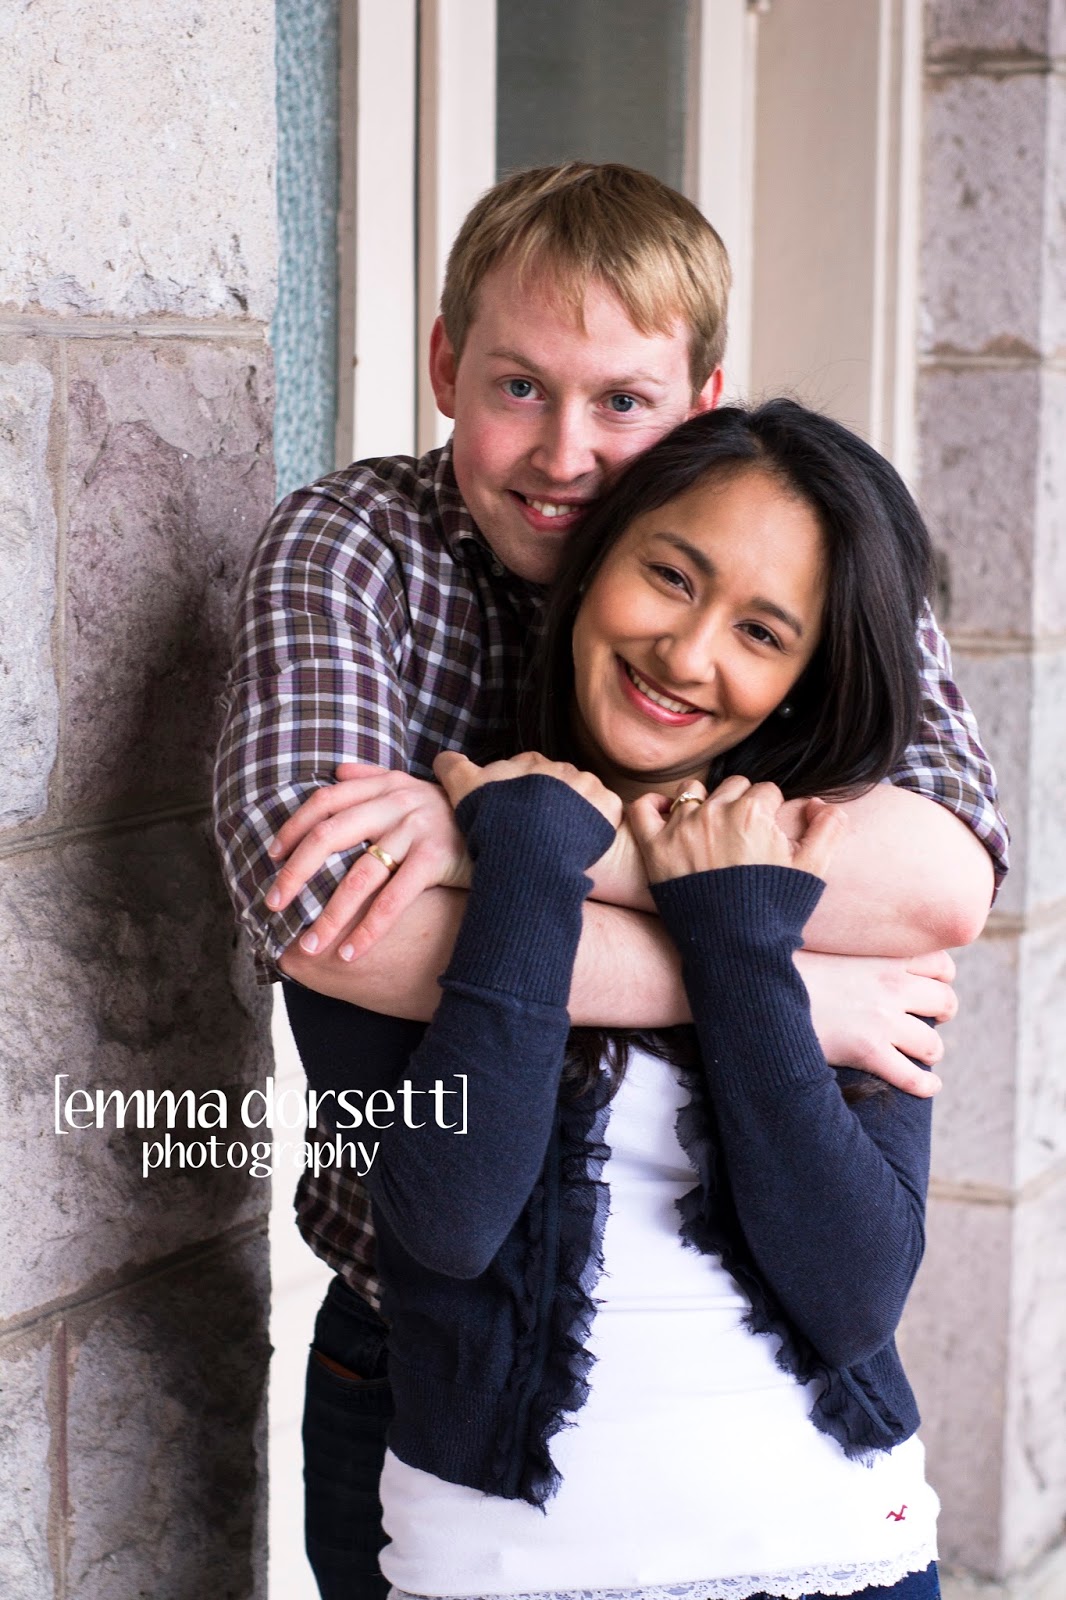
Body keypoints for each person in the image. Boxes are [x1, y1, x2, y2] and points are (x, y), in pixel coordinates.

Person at [212, 165, 1006, 1597]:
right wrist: (785, 985)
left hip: (798, 1469)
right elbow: (328, 917)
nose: (565, 455)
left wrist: (505, 835)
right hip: (439, 1388)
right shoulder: (358, 547)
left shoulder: (801, 557)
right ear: (444, 365)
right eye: (518, 386)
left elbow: (938, 886)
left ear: (698, 407)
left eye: (623, 402)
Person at [291, 400, 951, 1600]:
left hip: (847, 1553)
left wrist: (739, 936)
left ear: (800, 681)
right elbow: (447, 1227)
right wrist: (525, 858)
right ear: (593, 564)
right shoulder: (423, 853)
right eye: (670, 576)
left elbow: (856, 1292)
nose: (687, 654)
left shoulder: (822, 885)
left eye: (760, 630)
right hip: (501, 1572)